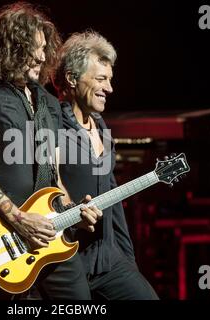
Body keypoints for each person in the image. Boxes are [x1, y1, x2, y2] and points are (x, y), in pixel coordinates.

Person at [0, 2, 101, 300]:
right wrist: (17, 218)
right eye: (37, 47)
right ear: (12, 45)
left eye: (46, 48)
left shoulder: (48, 102)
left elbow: (53, 180)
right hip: (3, 236)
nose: (44, 57)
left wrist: (73, 213)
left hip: (51, 238)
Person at [53, 30, 159, 299]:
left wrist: (127, 259)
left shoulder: (102, 131)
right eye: (101, 79)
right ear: (72, 79)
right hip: (65, 259)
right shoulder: (51, 125)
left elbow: (114, 204)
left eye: (110, 80)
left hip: (107, 258)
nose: (109, 88)